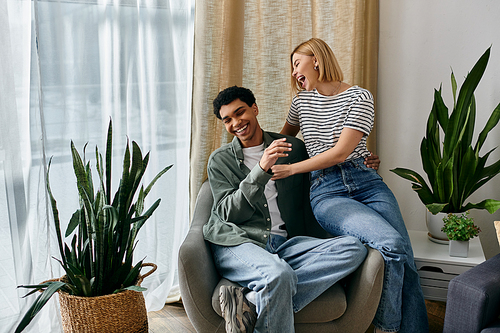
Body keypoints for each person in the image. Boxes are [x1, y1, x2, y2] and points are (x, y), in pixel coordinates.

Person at [271, 38, 428, 333]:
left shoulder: (360, 97)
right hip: (327, 191)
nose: (293, 73)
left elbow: (342, 152)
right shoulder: (301, 103)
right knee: (391, 245)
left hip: (366, 182)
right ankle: (388, 328)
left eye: (296, 64)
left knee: (404, 258)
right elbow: (282, 141)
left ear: (316, 59)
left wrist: (292, 169)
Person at [203, 85, 380, 333]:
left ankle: (251, 303)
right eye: (227, 120)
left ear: (254, 109)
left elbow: (326, 168)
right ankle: (270, 291)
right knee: (278, 276)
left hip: (283, 244)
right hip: (238, 241)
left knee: (354, 249)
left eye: (240, 112)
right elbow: (228, 214)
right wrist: (260, 170)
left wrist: (362, 163)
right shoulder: (220, 160)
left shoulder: (292, 148)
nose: (236, 123)